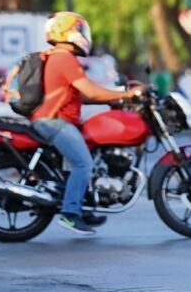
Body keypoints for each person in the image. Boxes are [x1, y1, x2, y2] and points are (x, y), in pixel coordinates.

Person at [30, 12, 142, 236]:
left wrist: (114, 99)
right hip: (54, 121)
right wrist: (126, 95)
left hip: (56, 119)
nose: (83, 35)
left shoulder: (58, 57)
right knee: (83, 164)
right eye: (79, 30)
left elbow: (80, 96)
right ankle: (70, 214)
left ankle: (82, 206)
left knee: (86, 156)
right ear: (67, 31)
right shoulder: (64, 58)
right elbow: (90, 90)